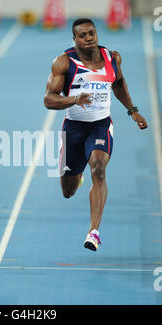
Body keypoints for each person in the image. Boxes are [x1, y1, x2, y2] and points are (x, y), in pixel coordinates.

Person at [44, 18, 147, 251]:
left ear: (97, 34)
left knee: (99, 168)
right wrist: (73, 99)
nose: (88, 38)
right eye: (83, 35)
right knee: (67, 191)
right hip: (73, 128)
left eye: (92, 33)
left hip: (100, 125)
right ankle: (76, 176)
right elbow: (48, 99)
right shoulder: (64, 63)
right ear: (75, 39)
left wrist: (132, 111)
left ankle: (94, 231)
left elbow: (118, 83)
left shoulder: (113, 58)